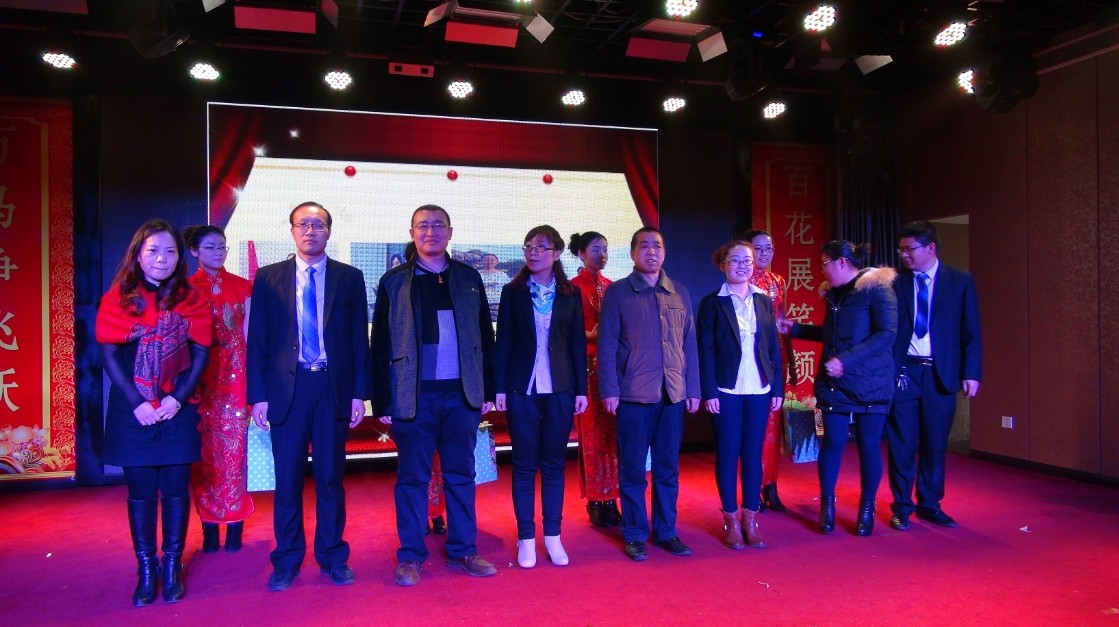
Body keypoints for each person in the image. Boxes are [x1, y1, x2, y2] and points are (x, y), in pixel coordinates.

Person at [371, 204, 498, 586]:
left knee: (461, 475)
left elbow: (484, 335)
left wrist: (488, 388)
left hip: (461, 396)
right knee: (412, 479)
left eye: (438, 225)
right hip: (413, 398)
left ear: (450, 232)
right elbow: (380, 344)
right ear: (412, 233)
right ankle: (410, 556)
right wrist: (383, 400)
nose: (431, 232)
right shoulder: (394, 281)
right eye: (423, 226)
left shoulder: (469, 278)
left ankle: (464, 549)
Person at [247, 201, 370, 591]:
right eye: (303, 224)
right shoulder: (268, 277)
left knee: (330, 478)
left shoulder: (349, 277)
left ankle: (333, 556)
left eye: (318, 224)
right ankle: (286, 560)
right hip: (288, 389)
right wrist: (259, 395)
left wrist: (359, 394)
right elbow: (258, 340)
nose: (310, 231)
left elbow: (358, 341)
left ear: (329, 231)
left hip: (332, 387)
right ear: (292, 230)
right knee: (287, 480)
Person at [96, 219, 212, 606]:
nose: (162, 258)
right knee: (142, 492)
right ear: (138, 254)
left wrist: (178, 398)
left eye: (170, 251)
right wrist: (139, 404)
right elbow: (110, 356)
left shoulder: (190, 298)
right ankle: (146, 567)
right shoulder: (119, 297)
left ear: (180, 257)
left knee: (177, 488)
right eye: (153, 250)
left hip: (179, 407)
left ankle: (172, 564)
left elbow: (201, 352)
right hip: (134, 409)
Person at [779, 241, 897, 537]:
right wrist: (797, 329)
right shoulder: (834, 294)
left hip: (871, 381)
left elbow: (886, 334)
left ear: (841, 262)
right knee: (832, 440)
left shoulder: (877, 289)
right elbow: (834, 335)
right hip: (835, 383)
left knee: (869, 444)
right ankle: (827, 506)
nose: (821, 270)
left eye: (824, 263)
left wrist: (847, 360)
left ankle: (866, 509)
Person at [598, 226, 701, 561]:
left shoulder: (679, 292)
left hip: (672, 395)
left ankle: (667, 531)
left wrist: (693, 388)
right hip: (633, 396)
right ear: (632, 253)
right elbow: (607, 345)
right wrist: (609, 389)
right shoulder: (618, 293)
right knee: (632, 471)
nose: (651, 251)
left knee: (667, 469)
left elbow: (690, 344)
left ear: (665, 252)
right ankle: (635, 533)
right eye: (644, 246)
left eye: (657, 245)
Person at [494, 225, 589, 568]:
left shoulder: (570, 294)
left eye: (541, 247)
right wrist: (500, 387)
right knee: (523, 465)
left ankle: (553, 536)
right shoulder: (513, 292)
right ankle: (526, 537)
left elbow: (576, 343)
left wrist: (581, 389)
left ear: (557, 253)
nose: (533, 252)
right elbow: (503, 341)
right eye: (528, 247)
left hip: (561, 389)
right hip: (522, 389)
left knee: (553, 465)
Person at [886, 220, 982, 530]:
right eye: (901, 249)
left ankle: (930, 504)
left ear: (931, 248)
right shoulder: (895, 281)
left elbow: (971, 331)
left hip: (941, 374)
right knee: (902, 443)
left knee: (935, 443)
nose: (904, 255)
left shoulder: (960, 281)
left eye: (909, 249)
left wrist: (971, 373)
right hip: (905, 372)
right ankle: (902, 506)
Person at [697, 240, 784, 550]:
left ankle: (751, 518)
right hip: (726, 390)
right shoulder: (712, 303)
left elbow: (772, 347)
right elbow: (705, 350)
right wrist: (708, 390)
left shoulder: (763, 300)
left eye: (747, 260)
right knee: (728, 452)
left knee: (752, 454)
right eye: (735, 260)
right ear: (723, 265)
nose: (743, 265)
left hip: (759, 388)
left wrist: (777, 387)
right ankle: (731, 519)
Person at [184, 224, 254, 554]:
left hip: (236, 378)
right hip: (199, 380)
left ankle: (235, 526)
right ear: (194, 251)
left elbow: (251, 337)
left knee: (235, 454)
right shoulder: (184, 290)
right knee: (204, 456)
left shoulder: (243, 286)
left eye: (222, 246)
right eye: (210, 247)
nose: (219, 252)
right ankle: (209, 528)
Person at [568, 231, 622, 527]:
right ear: (581, 253)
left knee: (613, 436)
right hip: (586, 370)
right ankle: (595, 499)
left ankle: (611, 496)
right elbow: (564, 331)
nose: (602, 255)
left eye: (605, 249)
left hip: (611, 372)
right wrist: (592, 334)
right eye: (596, 249)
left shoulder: (613, 287)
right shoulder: (571, 288)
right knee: (591, 436)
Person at [741, 229, 794, 512]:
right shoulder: (742, 279)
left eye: (769, 248)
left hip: (776, 358)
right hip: (751, 359)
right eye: (758, 248)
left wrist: (791, 360)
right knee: (755, 427)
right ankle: (753, 486)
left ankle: (770, 485)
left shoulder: (778, 281)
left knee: (774, 423)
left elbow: (782, 320)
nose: (764, 253)